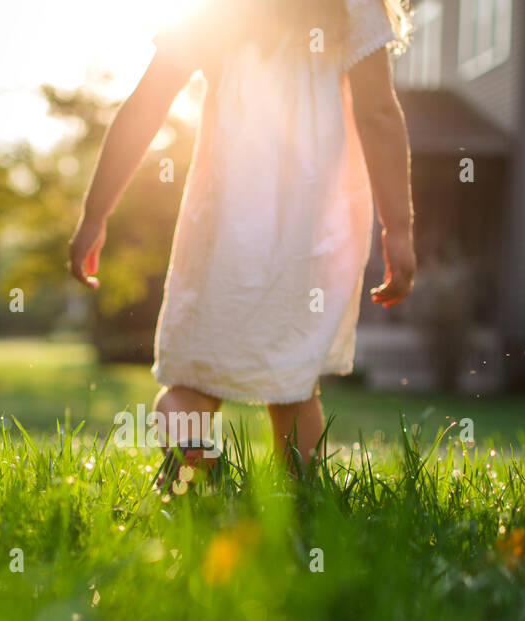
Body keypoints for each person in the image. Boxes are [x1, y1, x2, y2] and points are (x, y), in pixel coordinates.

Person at [70, 0, 416, 473]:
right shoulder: (353, 7)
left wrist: (96, 212)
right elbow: (378, 115)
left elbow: (147, 104)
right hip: (313, 229)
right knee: (294, 383)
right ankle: (300, 500)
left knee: (192, 378)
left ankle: (192, 458)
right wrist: (398, 228)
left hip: (224, 224)